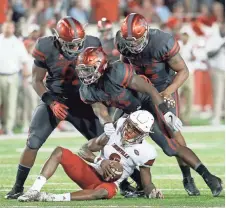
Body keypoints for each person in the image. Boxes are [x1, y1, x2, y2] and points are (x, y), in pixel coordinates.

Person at [76, 47, 222, 197]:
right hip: (128, 109)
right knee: (111, 142)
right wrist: (106, 122)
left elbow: (150, 90)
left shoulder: (117, 72)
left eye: (88, 69)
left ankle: (209, 177)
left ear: (101, 66)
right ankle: (126, 183)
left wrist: (166, 113)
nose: (84, 74)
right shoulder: (87, 90)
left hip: (146, 103)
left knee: (170, 147)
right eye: (81, 70)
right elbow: (98, 107)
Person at [5, 16, 104, 199]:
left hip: (81, 100)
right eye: (70, 44)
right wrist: (52, 102)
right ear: (57, 38)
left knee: (105, 142)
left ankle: (130, 183)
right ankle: (18, 187)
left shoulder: (92, 43)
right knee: (33, 142)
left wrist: (98, 99)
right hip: (55, 99)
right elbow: (36, 81)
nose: (75, 48)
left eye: (78, 44)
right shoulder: (45, 46)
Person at [115, 13, 197, 196]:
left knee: (172, 134)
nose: (133, 45)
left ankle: (187, 177)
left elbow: (183, 71)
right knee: (119, 132)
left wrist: (167, 93)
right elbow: (124, 68)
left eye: (137, 40)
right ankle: (127, 181)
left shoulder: (162, 41)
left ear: (146, 32)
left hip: (163, 88)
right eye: (130, 41)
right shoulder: (122, 42)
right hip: (139, 89)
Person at [18, 110, 164, 202]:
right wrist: (100, 161)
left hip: (108, 184)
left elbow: (147, 183)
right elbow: (84, 149)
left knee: (103, 192)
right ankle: (34, 190)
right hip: (91, 172)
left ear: (143, 134)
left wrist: (153, 192)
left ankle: (49, 198)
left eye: (135, 130)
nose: (129, 131)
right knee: (59, 152)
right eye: (129, 125)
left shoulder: (147, 152)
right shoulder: (117, 127)